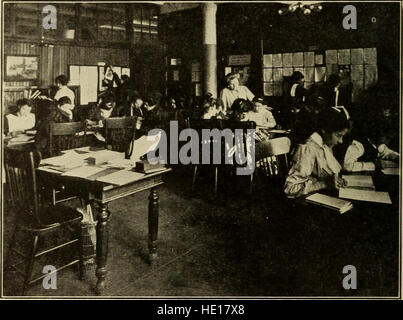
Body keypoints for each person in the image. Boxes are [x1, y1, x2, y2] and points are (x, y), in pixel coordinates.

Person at [284, 108, 350, 198]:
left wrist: (334, 180)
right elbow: (290, 189)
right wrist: (324, 184)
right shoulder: (308, 148)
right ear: (324, 131)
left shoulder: (324, 144)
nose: (341, 141)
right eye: (338, 135)